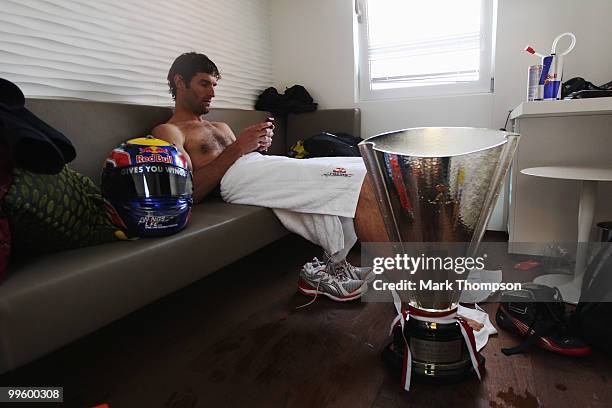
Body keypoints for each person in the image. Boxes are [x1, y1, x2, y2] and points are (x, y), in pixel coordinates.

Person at [152, 52, 387, 302]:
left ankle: (332, 266)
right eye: (204, 83)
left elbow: (241, 157)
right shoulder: (169, 131)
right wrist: (239, 147)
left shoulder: (220, 126)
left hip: (258, 166)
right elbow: (188, 192)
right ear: (180, 82)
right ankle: (405, 295)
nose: (212, 92)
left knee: (366, 167)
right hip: (234, 182)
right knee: (358, 180)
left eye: (214, 85)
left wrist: (257, 145)